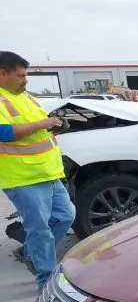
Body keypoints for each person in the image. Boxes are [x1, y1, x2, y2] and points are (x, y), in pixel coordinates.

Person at [0, 50, 75, 289]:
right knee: (40, 229)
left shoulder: (27, 98)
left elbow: (40, 130)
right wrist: (43, 123)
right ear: (2, 74)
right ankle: (46, 281)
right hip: (23, 178)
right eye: (21, 75)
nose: (26, 80)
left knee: (66, 216)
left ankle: (32, 253)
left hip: (49, 172)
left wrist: (57, 125)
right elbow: (5, 133)